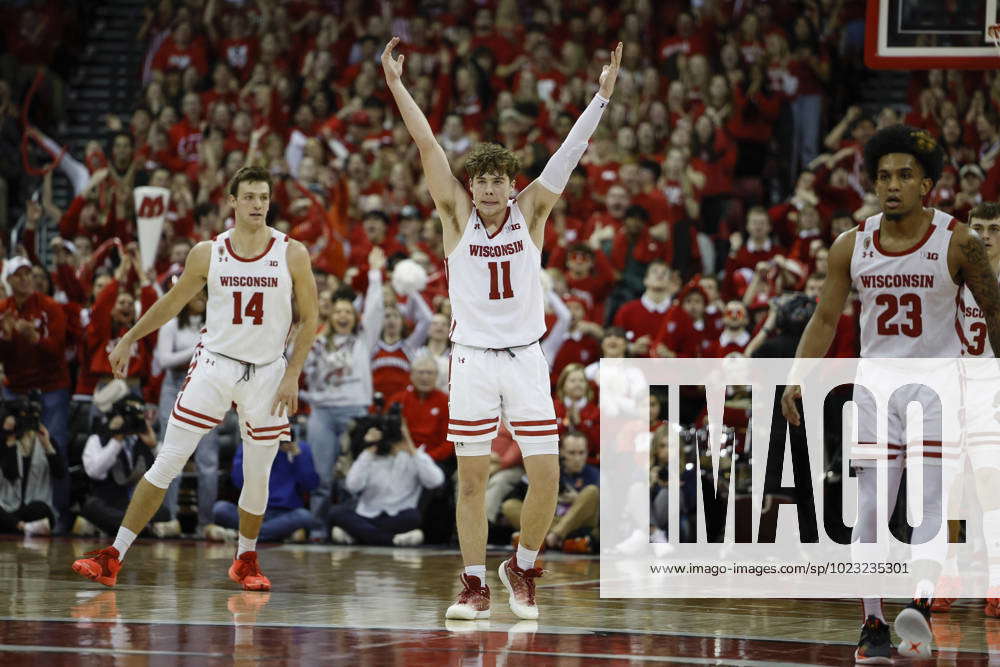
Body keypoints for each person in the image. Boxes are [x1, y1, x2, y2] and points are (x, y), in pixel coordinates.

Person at [382, 37, 622, 620]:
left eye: (498, 181)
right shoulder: (455, 216)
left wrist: (600, 98)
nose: (489, 189)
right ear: (471, 186)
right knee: (471, 480)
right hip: (469, 358)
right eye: (481, 180)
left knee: (547, 475)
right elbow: (427, 143)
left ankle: (522, 564)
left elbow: (568, 154)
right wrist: (396, 85)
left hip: (525, 357)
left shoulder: (533, 212)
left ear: (512, 185)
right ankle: (471, 583)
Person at [780, 126, 1000, 662]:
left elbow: (995, 313)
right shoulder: (849, 245)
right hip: (876, 387)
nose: (892, 185)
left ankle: (920, 608)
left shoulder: (960, 242)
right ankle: (874, 624)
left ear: (927, 185)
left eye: (904, 175)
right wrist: (796, 377)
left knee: (928, 503)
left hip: (938, 387)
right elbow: (825, 317)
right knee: (873, 507)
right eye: (883, 176)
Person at [71, 165, 319, 592]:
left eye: (264, 197)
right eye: (250, 197)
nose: (258, 204)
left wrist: (293, 374)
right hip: (215, 365)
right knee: (168, 460)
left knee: (257, 476)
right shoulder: (208, 252)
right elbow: (173, 301)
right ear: (232, 201)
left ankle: (246, 558)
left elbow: (311, 317)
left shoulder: (292, 252)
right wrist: (129, 337)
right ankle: (113, 555)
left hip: (267, 372)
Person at [327, 413, 444, 546]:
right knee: (336, 513)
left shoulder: (415, 456)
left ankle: (357, 536)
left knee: (413, 517)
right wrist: (369, 449)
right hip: (367, 514)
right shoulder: (371, 455)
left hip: (398, 516)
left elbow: (436, 481)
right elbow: (352, 486)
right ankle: (392, 540)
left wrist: (410, 447)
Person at [79, 395, 173, 537]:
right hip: (108, 504)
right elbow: (95, 472)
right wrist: (116, 439)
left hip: (136, 507)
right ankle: (142, 528)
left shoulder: (144, 441)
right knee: (91, 507)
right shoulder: (98, 439)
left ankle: (117, 528)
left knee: (163, 512)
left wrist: (154, 446)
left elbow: (173, 473)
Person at [211, 439, 319, 543]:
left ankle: (245, 535)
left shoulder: (301, 448)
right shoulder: (249, 445)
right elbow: (238, 481)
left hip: (284, 514)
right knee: (220, 509)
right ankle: (271, 534)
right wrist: (255, 451)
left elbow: (310, 485)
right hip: (251, 513)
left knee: (305, 516)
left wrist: (297, 455)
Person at [0, 400, 66, 536]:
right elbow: (11, 474)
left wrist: (47, 445)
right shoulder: (5, 442)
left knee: (41, 510)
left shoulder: (46, 441)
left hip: (33, 509)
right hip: (8, 508)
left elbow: (60, 473)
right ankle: (23, 527)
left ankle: (17, 527)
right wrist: (10, 443)